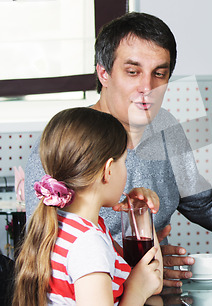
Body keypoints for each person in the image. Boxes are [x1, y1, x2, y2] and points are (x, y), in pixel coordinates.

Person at [24, 12, 212, 286]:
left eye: (159, 74)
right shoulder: (64, 141)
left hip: (154, 293)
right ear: (103, 73)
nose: (147, 87)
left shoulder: (166, 128)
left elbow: (208, 204)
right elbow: (45, 249)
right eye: (133, 72)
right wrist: (134, 272)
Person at [13, 107, 163, 306]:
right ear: (108, 170)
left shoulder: (68, 225)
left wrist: (139, 213)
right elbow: (142, 286)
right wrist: (135, 293)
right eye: (124, 162)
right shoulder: (88, 245)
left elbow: (151, 280)